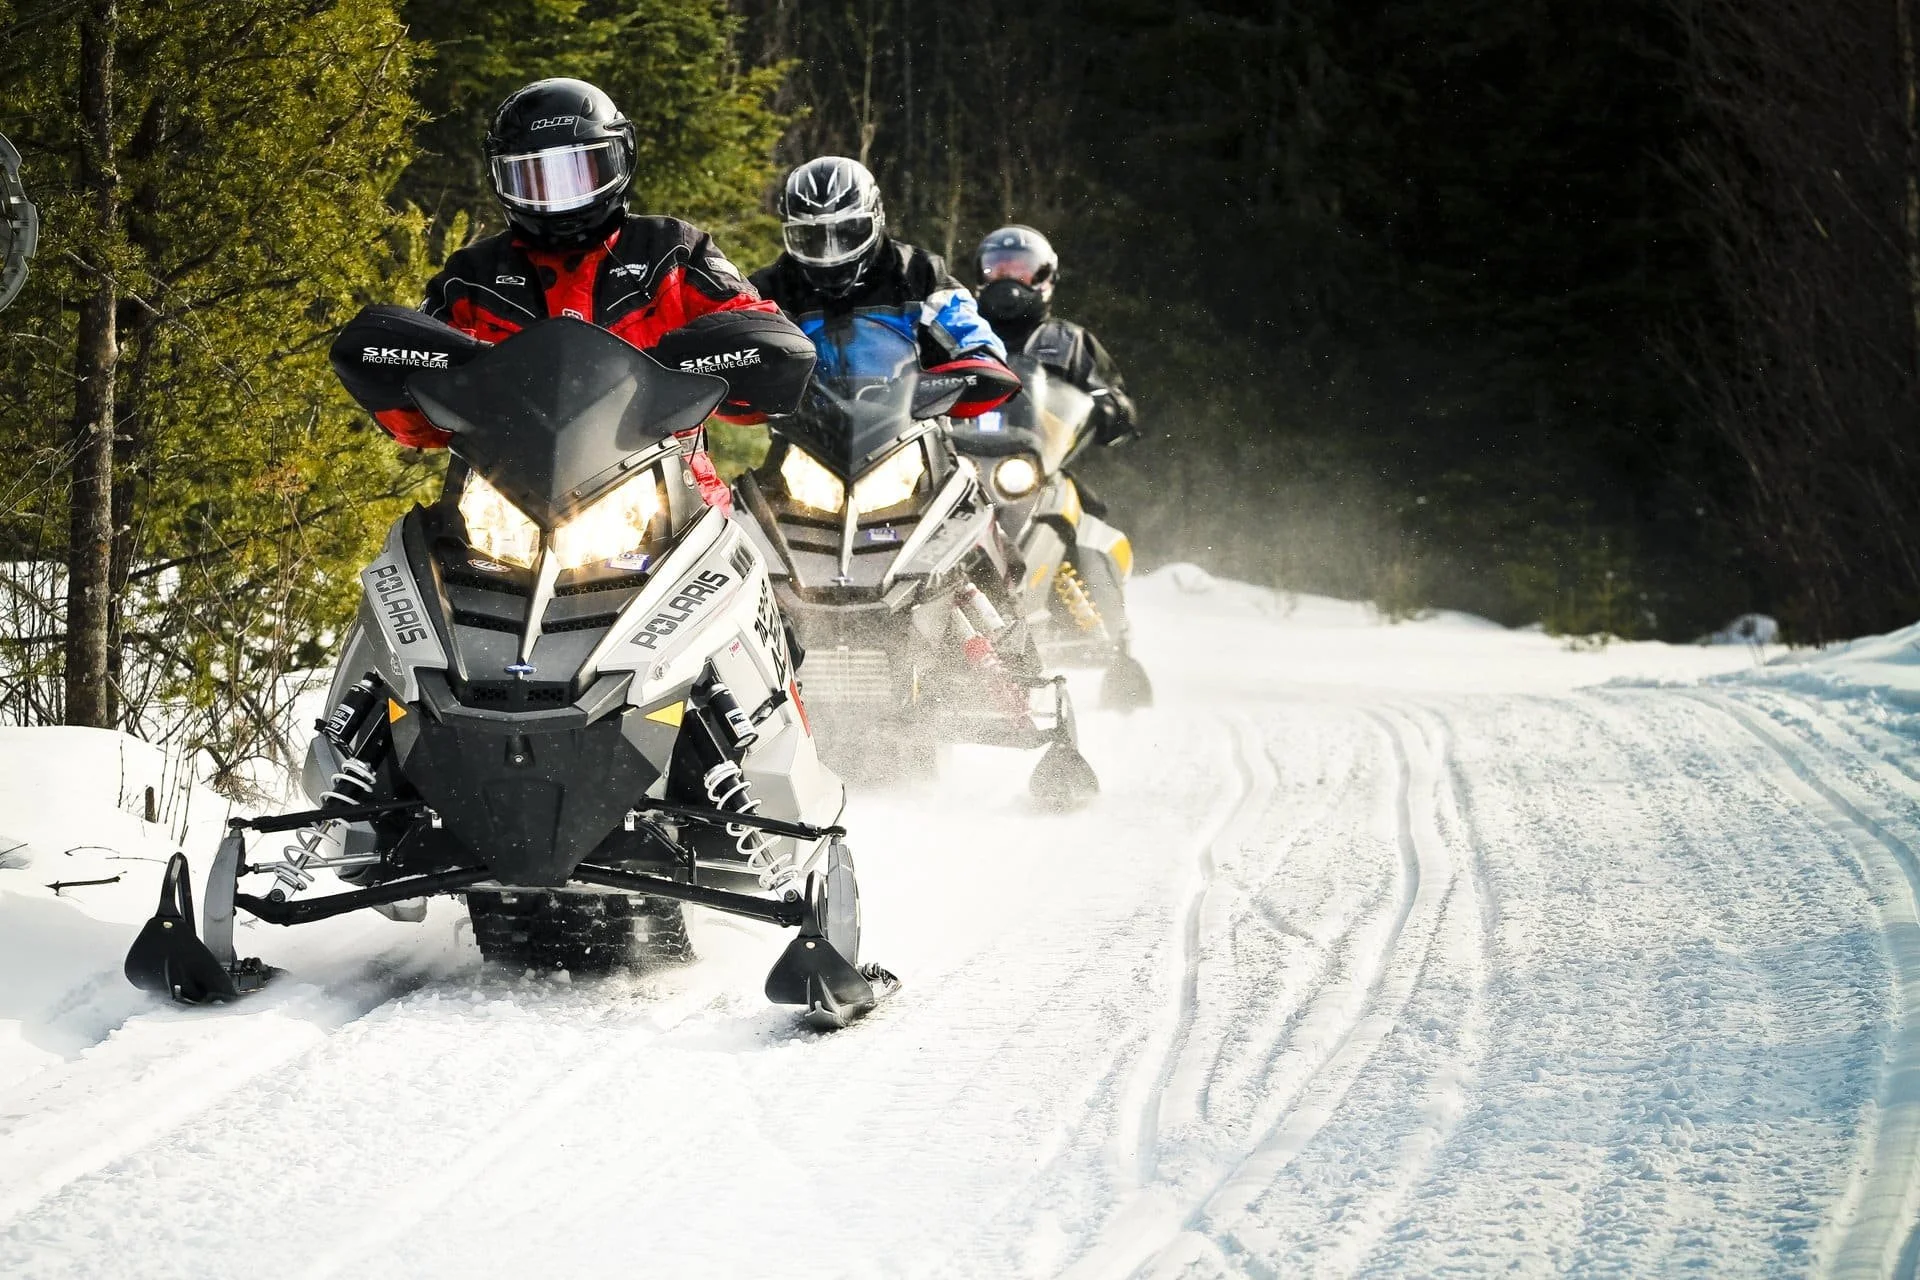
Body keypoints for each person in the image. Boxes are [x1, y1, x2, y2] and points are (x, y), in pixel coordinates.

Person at [372, 78, 814, 512]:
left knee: (739, 569)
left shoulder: (673, 252)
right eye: (536, 179)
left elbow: (754, 320)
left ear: (620, 160)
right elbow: (417, 410)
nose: (560, 198)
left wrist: (718, 357)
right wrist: (402, 380)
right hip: (505, 507)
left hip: (670, 494)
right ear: (501, 179)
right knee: (408, 565)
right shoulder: (472, 279)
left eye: (580, 172)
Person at [748, 156, 1018, 418]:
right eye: (811, 237)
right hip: (805, 436)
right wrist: (743, 379)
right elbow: (737, 350)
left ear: (876, 219)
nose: (830, 252)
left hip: (910, 430)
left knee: (961, 464)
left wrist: (976, 368)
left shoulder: (920, 273)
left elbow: (971, 335)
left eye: (847, 232)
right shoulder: (770, 288)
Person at [974, 224, 1137, 445]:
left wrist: (1108, 409)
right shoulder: (956, 334)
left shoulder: (1070, 342)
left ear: (1046, 278)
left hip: (1042, 462)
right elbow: (915, 380)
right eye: (998, 270)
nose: (1009, 280)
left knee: (1071, 482)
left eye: (1021, 272)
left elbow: (1116, 397)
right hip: (954, 460)